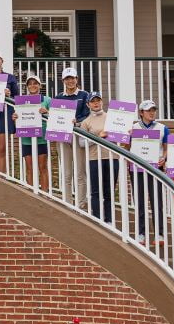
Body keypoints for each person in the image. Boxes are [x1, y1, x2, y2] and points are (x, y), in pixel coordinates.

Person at [130, 100, 168, 244]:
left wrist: (164, 158)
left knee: (156, 201)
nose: (152, 113)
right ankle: (141, 233)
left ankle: (160, 234)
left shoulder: (162, 128)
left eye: (153, 110)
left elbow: (166, 147)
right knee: (139, 201)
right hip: (137, 168)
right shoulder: (133, 127)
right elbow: (127, 147)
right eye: (148, 110)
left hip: (155, 168)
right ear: (141, 113)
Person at [78, 92, 118, 224]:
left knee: (109, 191)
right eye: (93, 101)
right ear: (88, 104)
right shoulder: (86, 122)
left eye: (98, 100)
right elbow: (81, 143)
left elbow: (120, 135)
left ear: (102, 102)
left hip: (112, 157)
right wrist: (97, 138)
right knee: (95, 191)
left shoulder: (112, 117)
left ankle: (109, 220)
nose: (96, 103)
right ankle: (97, 219)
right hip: (95, 159)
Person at [54, 67, 90, 208]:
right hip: (63, 136)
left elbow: (88, 114)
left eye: (72, 78)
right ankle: (68, 203)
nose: (70, 81)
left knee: (80, 171)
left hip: (77, 135)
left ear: (77, 79)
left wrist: (78, 121)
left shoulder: (84, 95)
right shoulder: (58, 97)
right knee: (67, 172)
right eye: (67, 79)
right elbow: (55, 116)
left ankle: (81, 203)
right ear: (63, 80)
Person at [16, 73, 50, 189]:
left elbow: (56, 117)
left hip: (42, 138)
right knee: (29, 168)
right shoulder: (22, 101)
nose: (32, 86)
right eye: (29, 84)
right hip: (27, 139)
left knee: (43, 167)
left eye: (35, 83)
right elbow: (19, 117)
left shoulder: (47, 100)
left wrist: (47, 112)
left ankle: (45, 196)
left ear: (40, 85)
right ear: (27, 87)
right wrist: (15, 117)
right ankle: (31, 193)